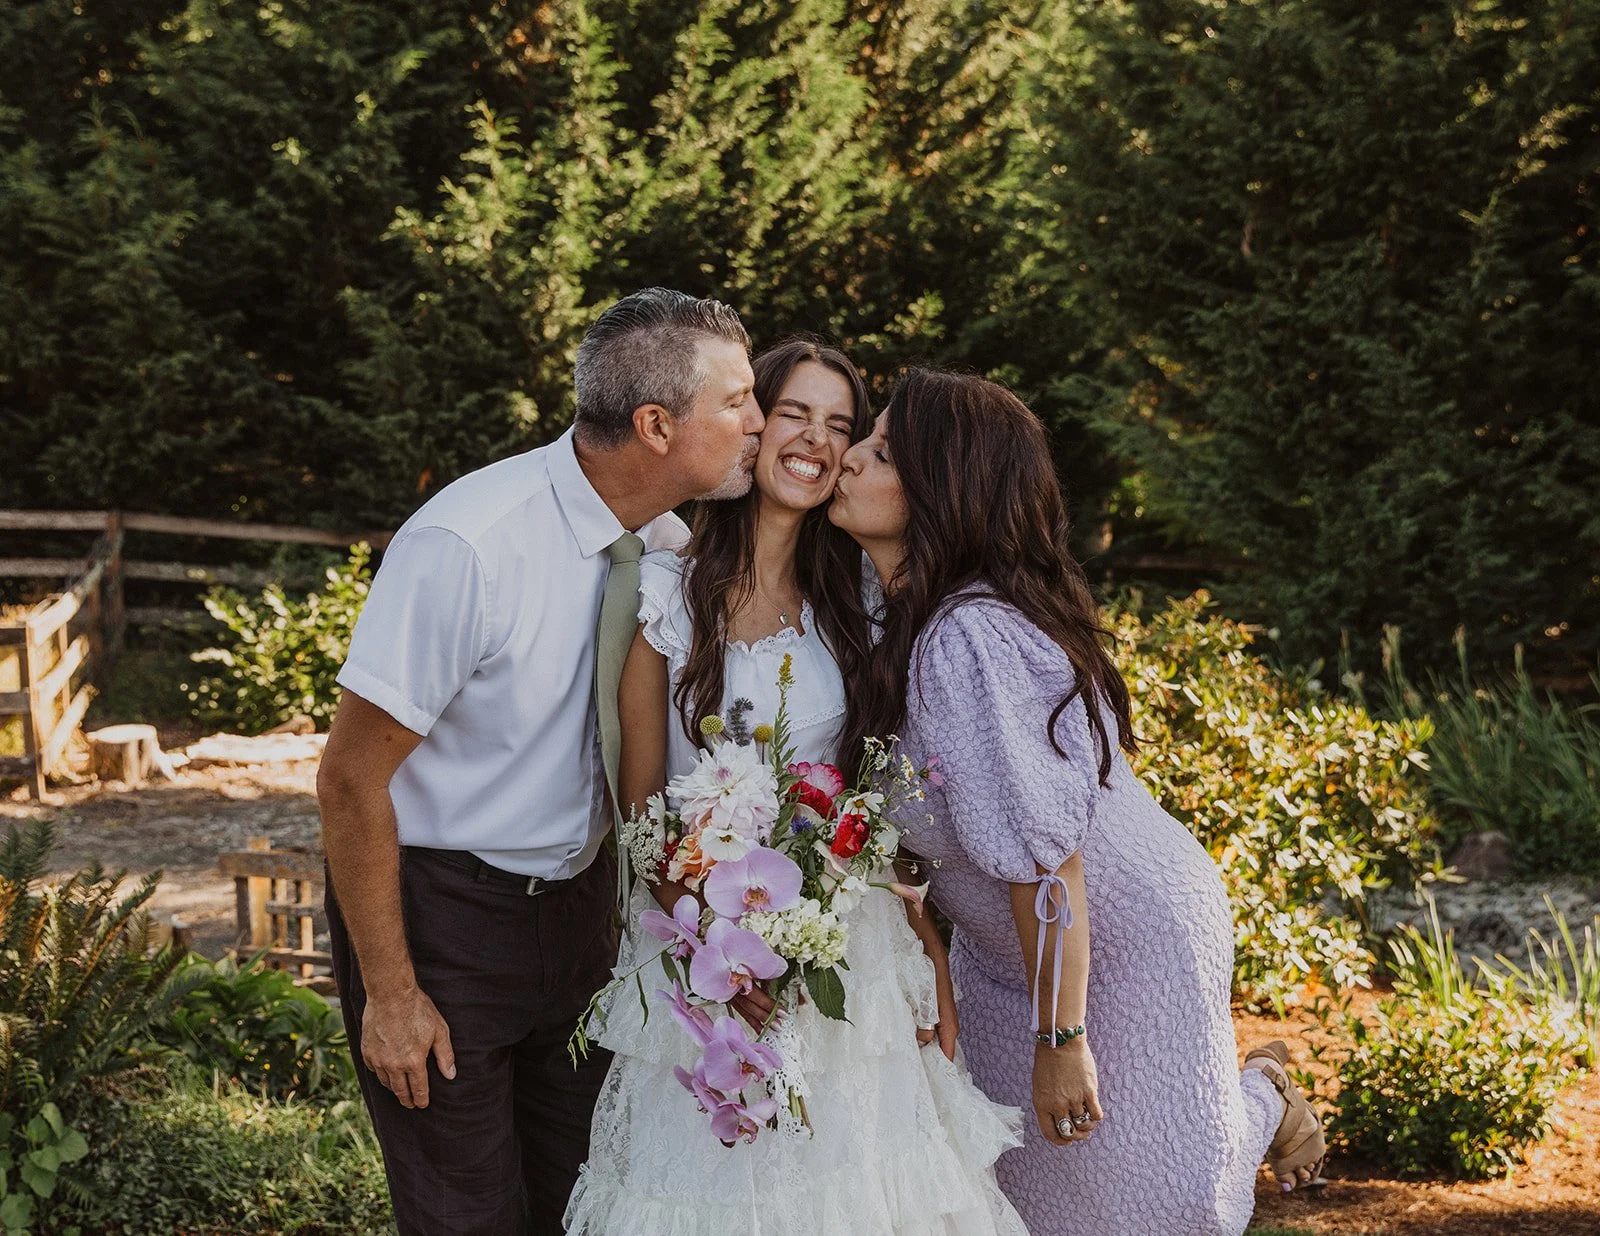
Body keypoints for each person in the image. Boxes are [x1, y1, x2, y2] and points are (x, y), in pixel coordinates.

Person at [828, 367, 1328, 1236]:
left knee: (1157, 1202)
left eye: (878, 453)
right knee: (1023, 1196)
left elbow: (1044, 857)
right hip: (999, 954)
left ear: (941, 490)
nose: (846, 460)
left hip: (1125, 941)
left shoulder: (971, 635)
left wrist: (1061, 1041)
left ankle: (1263, 1096)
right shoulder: (890, 609)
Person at [316, 287, 765, 1236]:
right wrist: (393, 994)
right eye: (739, 402)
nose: (759, 425)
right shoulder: (466, 546)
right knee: (465, 1219)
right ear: (655, 425)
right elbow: (350, 779)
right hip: (440, 922)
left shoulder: (672, 547)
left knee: (586, 1204)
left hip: (580, 922)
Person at [565, 340, 1028, 1236]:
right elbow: (644, 809)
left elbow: (878, 801)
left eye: (842, 425)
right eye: (795, 414)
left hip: (848, 956)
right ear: (753, 423)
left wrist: (927, 946)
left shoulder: (860, 601)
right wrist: (716, 955)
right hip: (707, 950)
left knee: (857, 1194)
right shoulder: (665, 594)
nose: (817, 440)